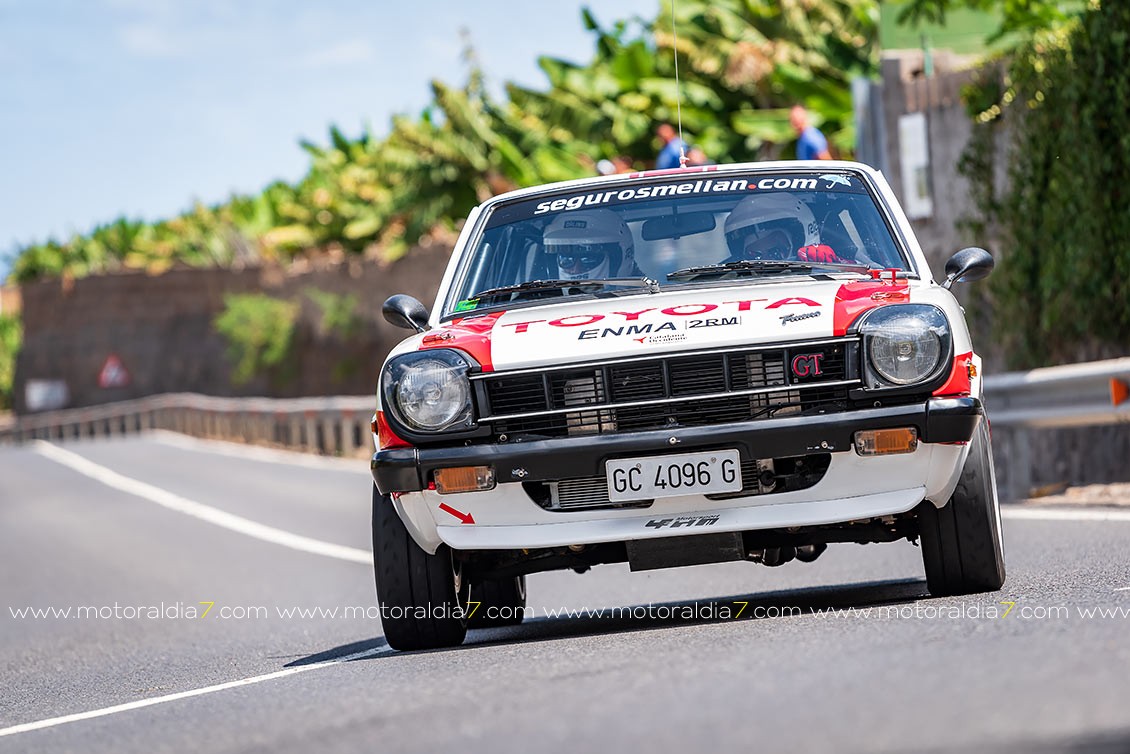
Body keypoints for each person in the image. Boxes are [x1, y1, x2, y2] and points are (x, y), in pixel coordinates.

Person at [723, 194, 850, 264]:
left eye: (775, 252)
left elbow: (860, 274)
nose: (767, 261)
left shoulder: (831, 269)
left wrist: (835, 263)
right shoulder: (726, 279)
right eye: (756, 256)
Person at [543, 209, 639, 280]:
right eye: (566, 260)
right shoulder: (542, 299)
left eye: (588, 259)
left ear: (617, 258)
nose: (576, 270)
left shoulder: (644, 297)